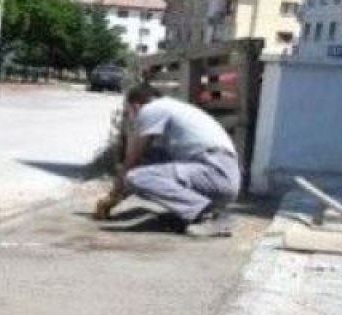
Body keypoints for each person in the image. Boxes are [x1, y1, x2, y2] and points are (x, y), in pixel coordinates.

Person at [94, 83, 240, 236]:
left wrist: (112, 197)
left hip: (215, 171)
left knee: (135, 176)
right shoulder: (172, 109)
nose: (132, 118)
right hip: (219, 175)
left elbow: (132, 160)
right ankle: (195, 212)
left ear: (135, 106)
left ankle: (208, 216)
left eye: (129, 112)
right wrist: (120, 193)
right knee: (146, 166)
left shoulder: (152, 109)